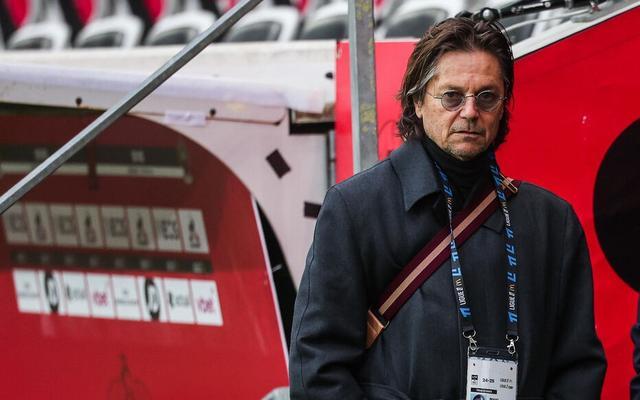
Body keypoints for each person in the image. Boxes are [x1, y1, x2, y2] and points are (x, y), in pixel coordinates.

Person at [289, 17, 606, 399]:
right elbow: (317, 368)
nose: (470, 112)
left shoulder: (552, 222)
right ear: (418, 102)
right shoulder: (356, 208)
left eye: (486, 96)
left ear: (503, 106)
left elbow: (577, 369)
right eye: (452, 96)